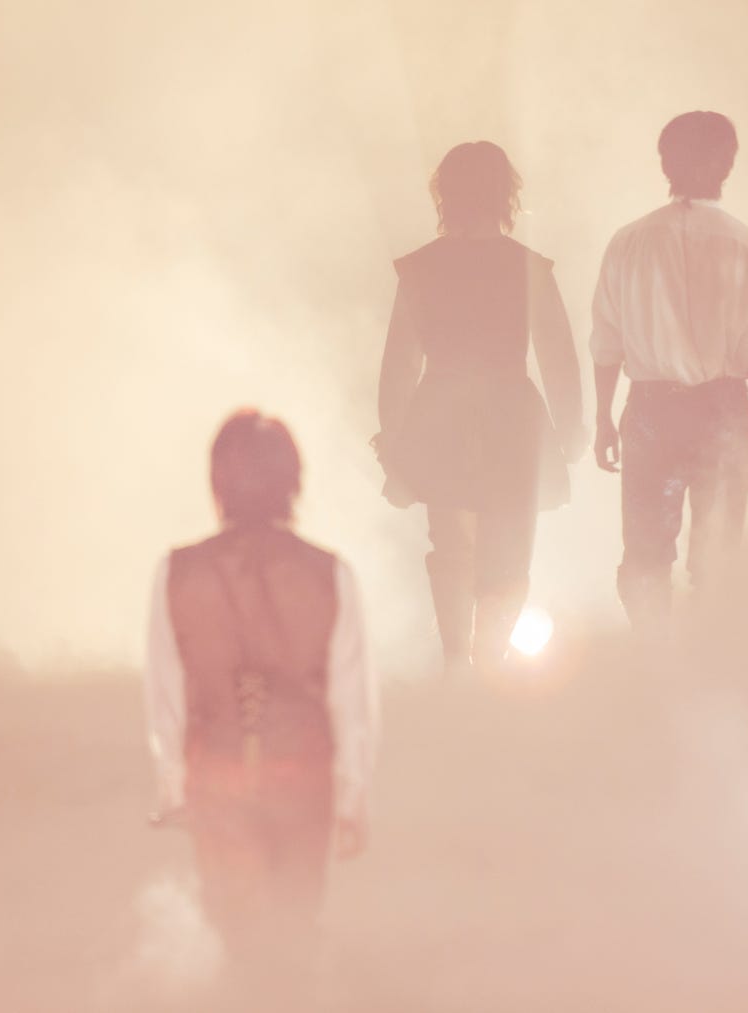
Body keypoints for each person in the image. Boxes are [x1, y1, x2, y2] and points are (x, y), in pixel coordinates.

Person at [144, 409, 377, 987]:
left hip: (218, 780)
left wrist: (173, 787)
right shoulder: (330, 574)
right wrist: (351, 797)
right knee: (293, 934)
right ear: (292, 482)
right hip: (305, 782)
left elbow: (166, 694)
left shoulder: (177, 572)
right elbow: (350, 698)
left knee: (241, 942)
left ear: (217, 481)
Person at [376, 141, 584, 670]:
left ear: (445, 195)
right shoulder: (528, 268)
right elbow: (558, 356)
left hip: (442, 412)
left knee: (451, 548)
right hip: (511, 414)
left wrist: (393, 437)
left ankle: (456, 666)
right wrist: (571, 428)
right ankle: (488, 668)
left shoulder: (421, 268)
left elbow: (400, 361)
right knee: (509, 555)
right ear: (504, 194)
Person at [589, 111, 748, 629]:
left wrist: (604, 417)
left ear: (665, 163)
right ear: (727, 164)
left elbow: (606, 342)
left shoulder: (628, 243)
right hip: (723, 409)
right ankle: (706, 658)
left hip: (652, 411)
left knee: (645, 557)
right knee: (717, 560)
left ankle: (649, 656)